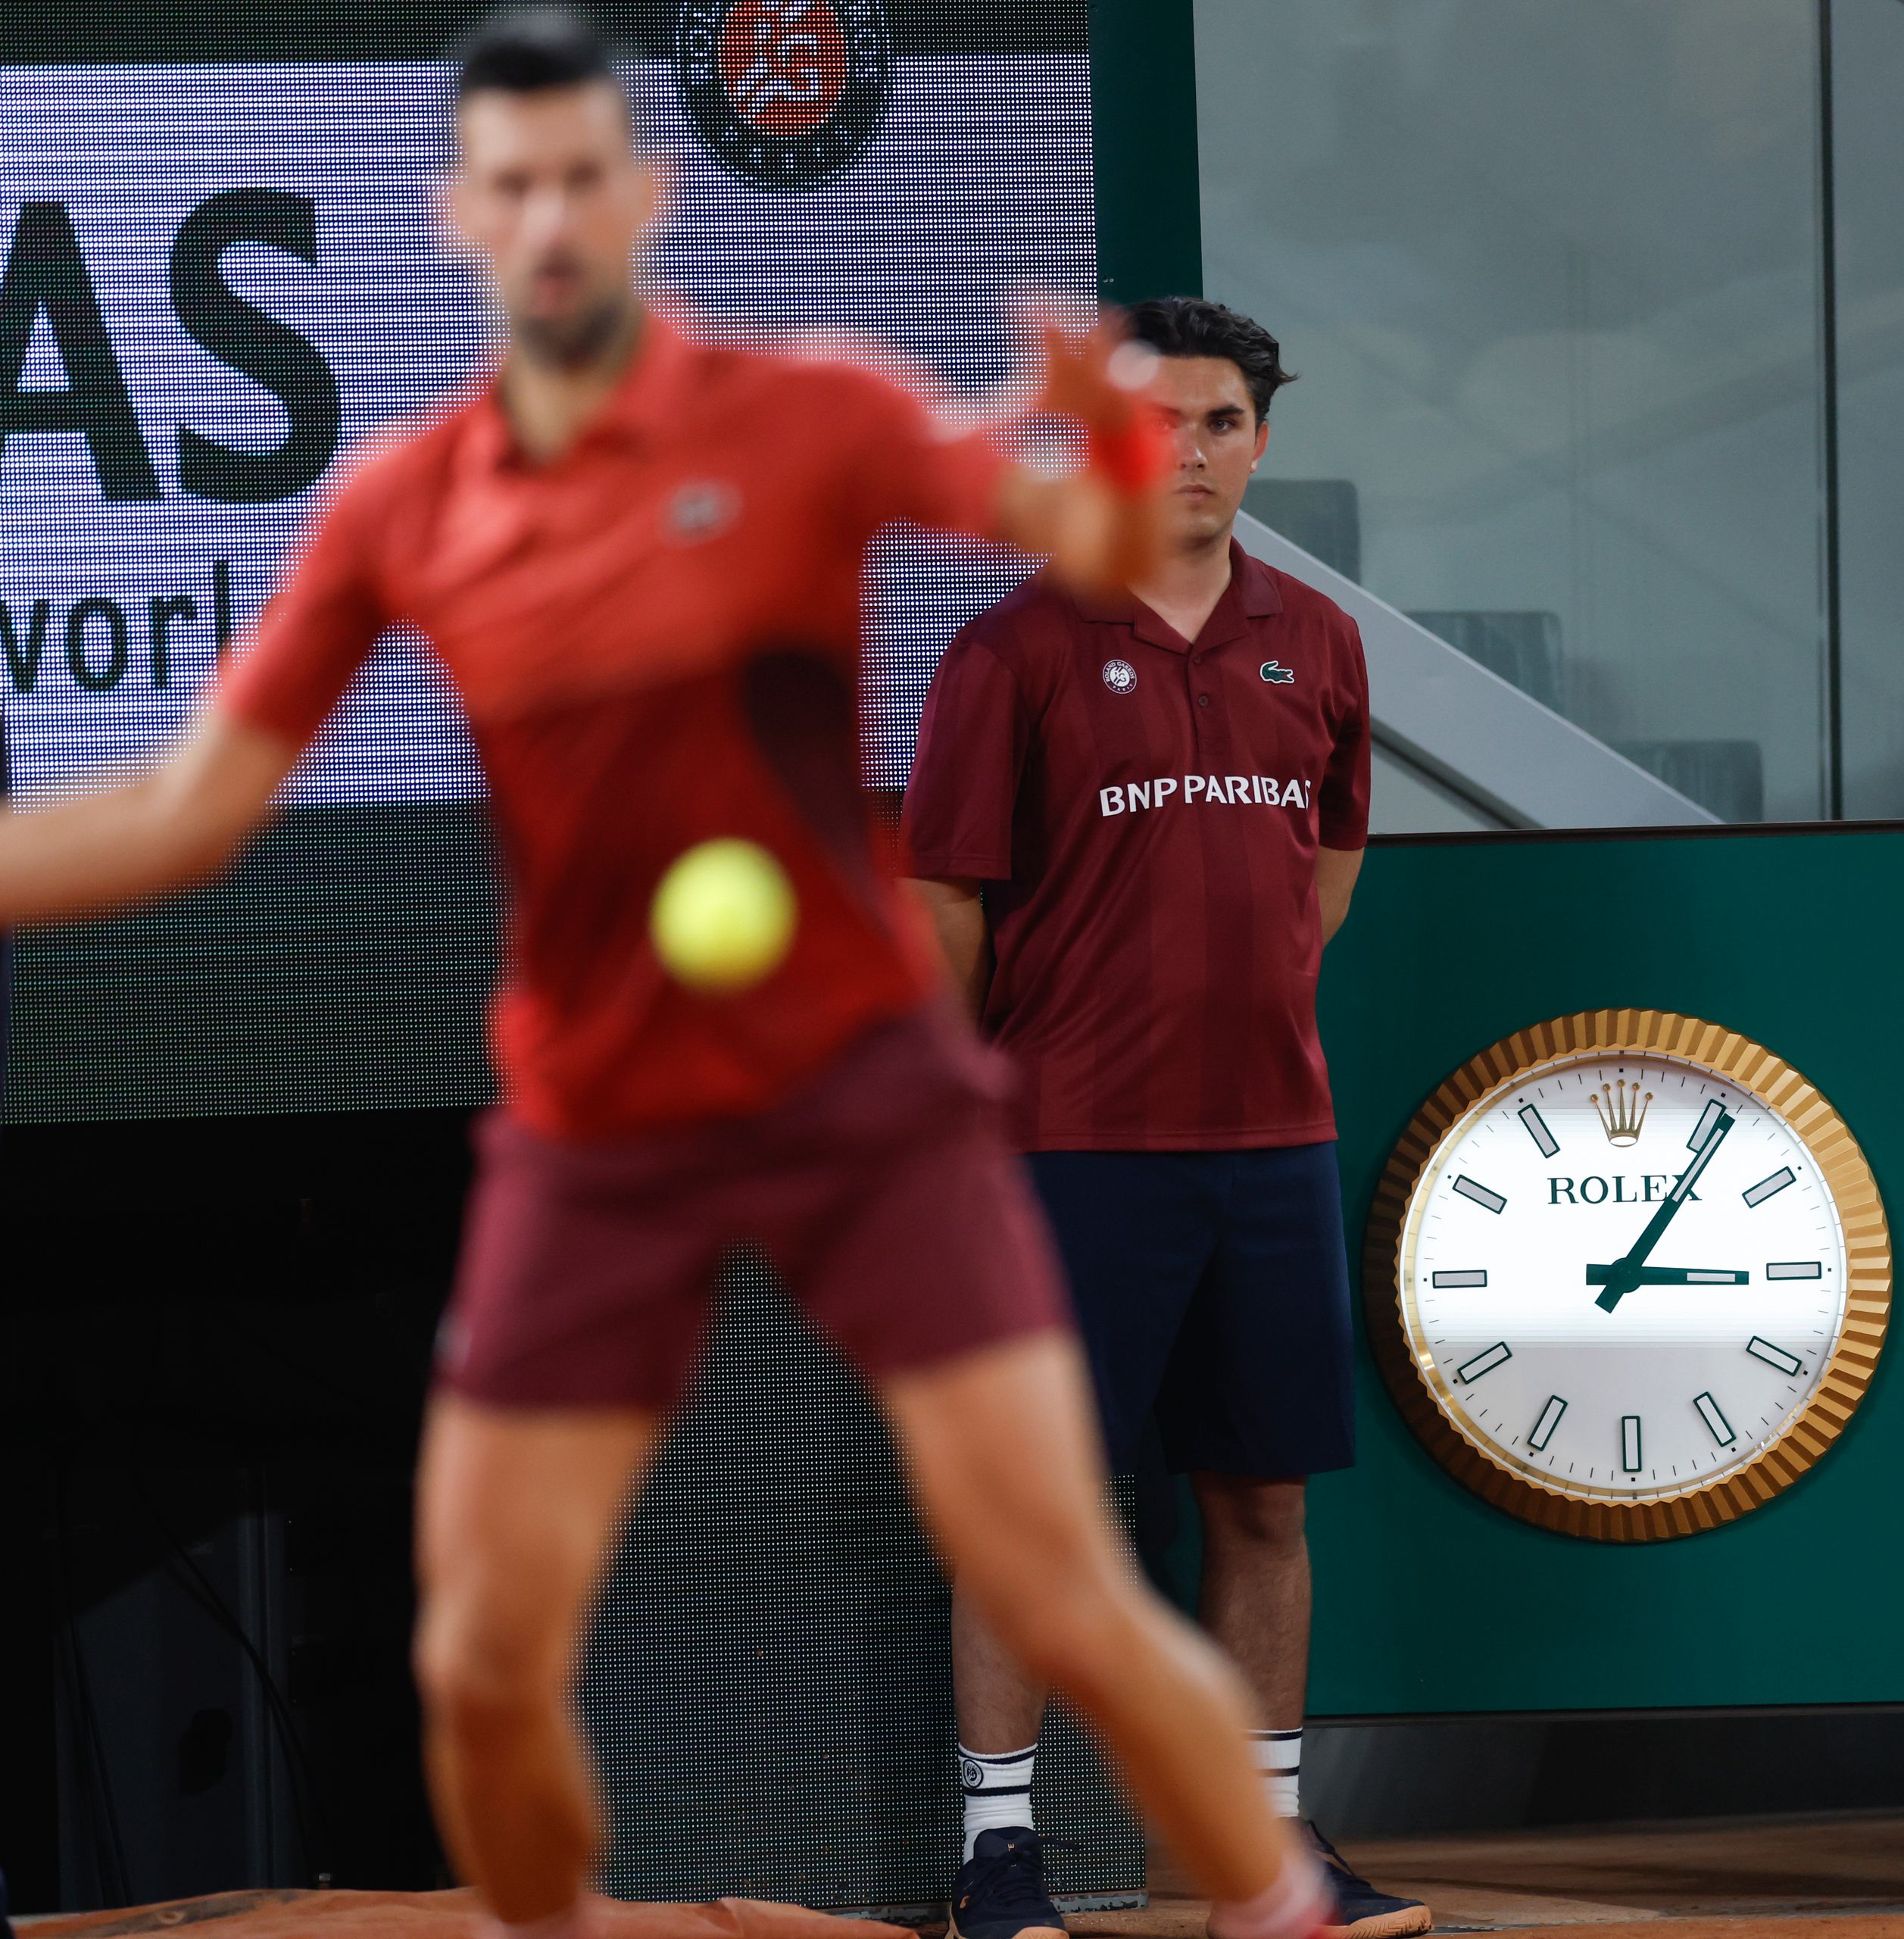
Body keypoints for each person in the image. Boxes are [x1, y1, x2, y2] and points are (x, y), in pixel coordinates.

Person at [0, 14, 1328, 1939]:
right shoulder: (399, 501)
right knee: (481, 1660)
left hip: (862, 1090)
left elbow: (1099, 542)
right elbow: (191, 804)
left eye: (581, 178)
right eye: (509, 184)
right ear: (463, 215)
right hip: (605, 1119)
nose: (548, 217)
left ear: (640, 197)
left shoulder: (815, 410)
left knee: (1061, 1562)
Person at [902, 297, 1425, 1939]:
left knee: (1263, 1504)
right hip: (1071, 1146)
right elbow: (945, 908)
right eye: (1155, 423)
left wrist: (1236, 999)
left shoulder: (1318, 641)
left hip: (1273, 1143)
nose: (1188, 453)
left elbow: (1325, 867)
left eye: (1220, 422)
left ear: (1259, 441)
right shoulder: (1011, 648)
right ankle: (1000, 1856)